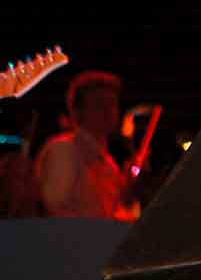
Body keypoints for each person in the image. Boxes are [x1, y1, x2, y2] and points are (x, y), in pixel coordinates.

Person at [35, 71, 138, 221]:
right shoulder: (64, 149)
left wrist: (129, 190)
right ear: (76, 112)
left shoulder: (109, 163)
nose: (108, 110)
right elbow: (53, 209)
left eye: (112, 103)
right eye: (99, 104)